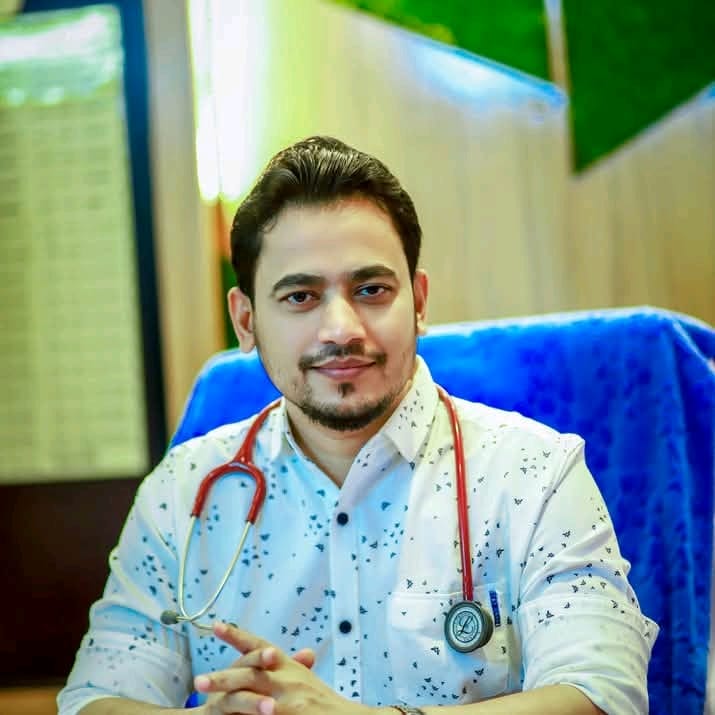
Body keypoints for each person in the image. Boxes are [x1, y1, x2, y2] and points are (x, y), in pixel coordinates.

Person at [59, 136, 657, 715]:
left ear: (418, 301)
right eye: (300, 297)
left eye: (371, 289)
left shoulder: (533, 472)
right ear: (245, 320)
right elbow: (93, 698)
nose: (341, 328)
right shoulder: (183, 491)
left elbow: (605, 694)